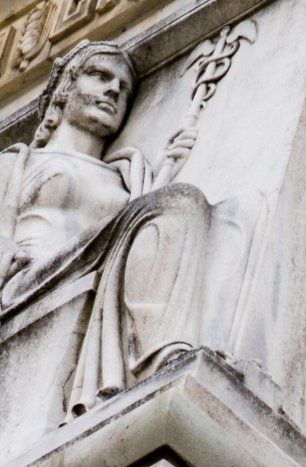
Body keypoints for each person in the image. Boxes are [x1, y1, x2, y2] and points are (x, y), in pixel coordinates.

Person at [0, 40, 254, 418]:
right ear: (64, 91)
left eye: (123, 87)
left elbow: (145, 234)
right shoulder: (19, 162)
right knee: (179, 203)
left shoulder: (128, 173)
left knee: (233, 216)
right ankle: (161, 358)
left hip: (100, 260)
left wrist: (167, 167)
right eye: (100, 76)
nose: (113, 90)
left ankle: (189, 349)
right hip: (34, 275)